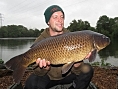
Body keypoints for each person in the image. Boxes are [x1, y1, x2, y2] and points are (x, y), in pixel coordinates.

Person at [24, 5, 94, 89]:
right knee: (31, 83)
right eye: (55, 17)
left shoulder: (73, 37)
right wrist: (44, 68)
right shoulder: (40, 41)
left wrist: (77, 63)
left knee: (87, 70)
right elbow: (37, 72)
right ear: (48, 21)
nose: (60, 20)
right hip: (49, 77)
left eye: (62, 17)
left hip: (68, 75)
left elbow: (77, 71)